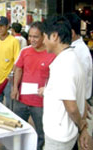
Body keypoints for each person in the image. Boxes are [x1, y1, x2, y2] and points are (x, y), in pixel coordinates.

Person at [43, 15, 89, 150]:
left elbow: (71, 106)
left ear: (55, 36)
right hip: (67, 132)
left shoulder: (62, 65)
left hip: (59, 136)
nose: (43, 41)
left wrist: (82, 126)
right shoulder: (72, 58)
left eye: (45, 36)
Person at [11, 21, 55, 150]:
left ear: (44, 36)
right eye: (30, 36)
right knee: (17, 127)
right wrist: (14, 88)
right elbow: (18, 69)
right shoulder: (25, 51)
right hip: (22, 99)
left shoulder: (51, 53)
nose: (32, 40)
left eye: (35, 37)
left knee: (41, 133)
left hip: (40, 102)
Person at [64, 13, 93, 150]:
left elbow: (79, 82)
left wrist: (84, 102)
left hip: (76, 104)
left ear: (71, 32)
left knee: (75, 140)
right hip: (75, 103)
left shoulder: (80, 51)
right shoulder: (74, 49)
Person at [0, 16, 20, 108]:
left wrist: (11, 75)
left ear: (7, 26)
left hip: (7, 80)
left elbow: (17, 61)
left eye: (2, 26)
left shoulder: (14, 41)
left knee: (9, 106)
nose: (0, 28)